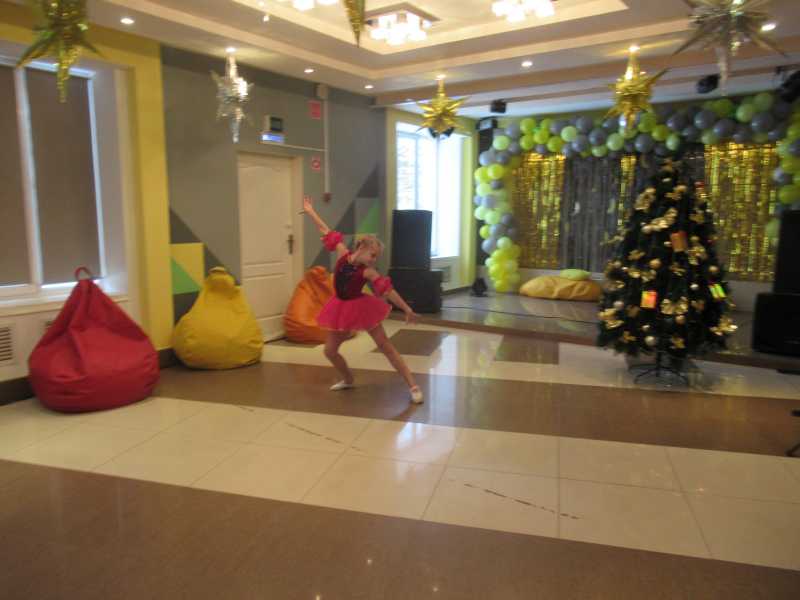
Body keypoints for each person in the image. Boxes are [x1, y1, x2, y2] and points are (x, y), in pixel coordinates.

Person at [302, 197, 424, 404]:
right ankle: (348, 379)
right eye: (373, 255)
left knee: (385, 346)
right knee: (329, 351)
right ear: (361, 247)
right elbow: (326, 230)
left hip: (361, 308)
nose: (374, 260)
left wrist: (406, 309)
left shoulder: (367, 271)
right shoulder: (342, 253)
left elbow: (388, 291)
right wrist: (310, 211)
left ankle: (413, 385)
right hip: (340, 308)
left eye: (377, 257)